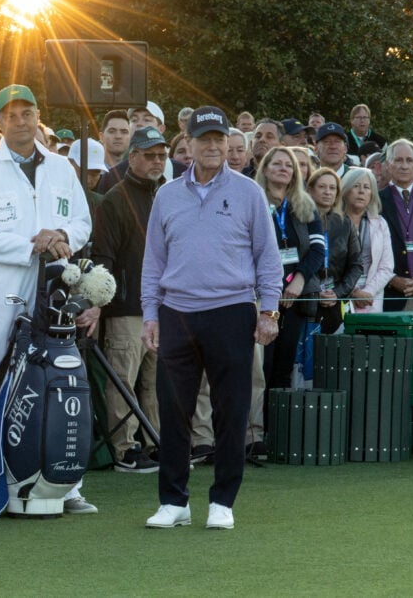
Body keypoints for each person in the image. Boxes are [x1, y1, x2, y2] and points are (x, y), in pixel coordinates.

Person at [141, 106, 282, 531]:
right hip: (177, 311)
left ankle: (223, 500)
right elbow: (153, 261)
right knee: (174, 410)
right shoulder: (166, 194)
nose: (213, 146)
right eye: (204, 139)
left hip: (232, 310)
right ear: (187, 143)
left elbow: (267, 257)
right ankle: (174, 501)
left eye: (219, 139)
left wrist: (269, 310)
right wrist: (151, 314)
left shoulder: (248, 192)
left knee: (231, 410)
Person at [0, 84, 93, 514]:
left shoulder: (61, 167)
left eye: (28, 112)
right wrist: (30, 245)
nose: (21, 120)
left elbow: (82, 221)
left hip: (54, 291)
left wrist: (62, 237)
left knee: (56, 379)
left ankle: (62, 486)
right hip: (3, 294)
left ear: (39, 116)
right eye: (12, 114)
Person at [93, 126, 166, 473]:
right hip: (126, 307)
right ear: (132, 157)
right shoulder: (115, 199)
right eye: (149, 155)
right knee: (123, 379)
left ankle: (154, 442)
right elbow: (103, 257)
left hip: (165, 306)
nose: (156, 161)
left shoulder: (169, 194)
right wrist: (104, 302)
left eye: (161, 155)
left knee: (155, 382)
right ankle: (124, 448)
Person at [255, 147, 324, 390]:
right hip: (262, 298)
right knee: (262, 368)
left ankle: (278, 427)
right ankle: (257, 426)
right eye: (277, 164)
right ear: (265, 168)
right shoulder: (254, 202)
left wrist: (299, 281)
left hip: (296, 297)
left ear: (294, 173)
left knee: (284, 368)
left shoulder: (306, 206)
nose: (283, 168)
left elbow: (318, 251)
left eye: (288, 165)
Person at [306, 168, 362, 334]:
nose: (327, 192)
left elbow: (357, 264)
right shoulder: (300, 219)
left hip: (335, 301)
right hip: (305, 300)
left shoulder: (345, 223)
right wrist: (315, 291)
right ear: (310, 190)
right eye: (322, 187)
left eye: (332, 188)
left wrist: (337, 293)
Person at [340, 168, 394, 313]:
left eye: (366, 187)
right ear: (345, 190)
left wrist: (367, 292)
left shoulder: (380, 223)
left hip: (370, 299)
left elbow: (387, 267)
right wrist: (352, 291)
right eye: (356, 186)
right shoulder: (334, 221)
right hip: (340, 297)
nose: (361, 191)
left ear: (372, 194)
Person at [377, 138, 413, 311]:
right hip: (388, 295)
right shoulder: (375, 201)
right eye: (398, 160)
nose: (404, 166)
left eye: (409, 160)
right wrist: (391, 279)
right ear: (388, 165)